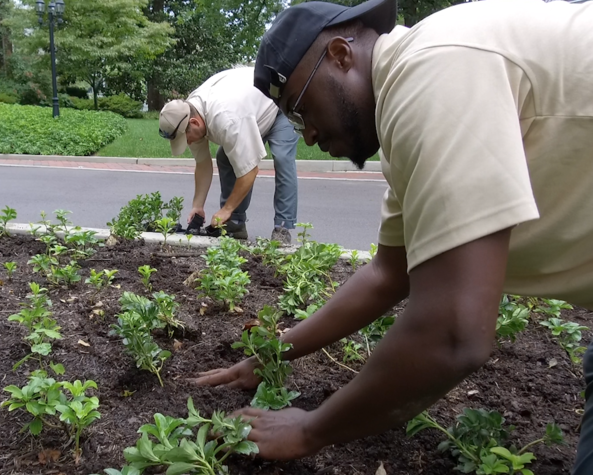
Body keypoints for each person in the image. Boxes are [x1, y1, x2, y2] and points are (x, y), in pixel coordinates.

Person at [195, 0, 593, 472]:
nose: (309, 135)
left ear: (341, 54)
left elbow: (454, 333)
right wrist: (273, 352)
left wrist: (309, 430)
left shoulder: (434, 72)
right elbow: (388, 273)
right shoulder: (416, 94)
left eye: (300, 110)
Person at [158, 67, 300, 243]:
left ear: (194, 123)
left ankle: (283, 227)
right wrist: (198, 206)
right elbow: (202, 164)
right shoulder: (189, 112)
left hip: (278, 101)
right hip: (249, 111)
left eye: (185, 139)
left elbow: (249, 172)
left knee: (282, 158)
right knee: (225, 158)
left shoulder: (227, 118)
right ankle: (235, 223)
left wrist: (226, 209)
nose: (187, 143)